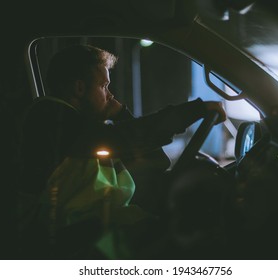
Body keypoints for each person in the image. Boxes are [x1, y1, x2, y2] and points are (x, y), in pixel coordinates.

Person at [17, 44, 226, 259]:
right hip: (63, 241)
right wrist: (195, 110)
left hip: (93, 230)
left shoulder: (85, 131)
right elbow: (126, 137)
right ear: (79, 88)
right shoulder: (50, 117)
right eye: (104, 86)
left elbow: (154, 163)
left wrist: (121, 115)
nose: (110, 95)